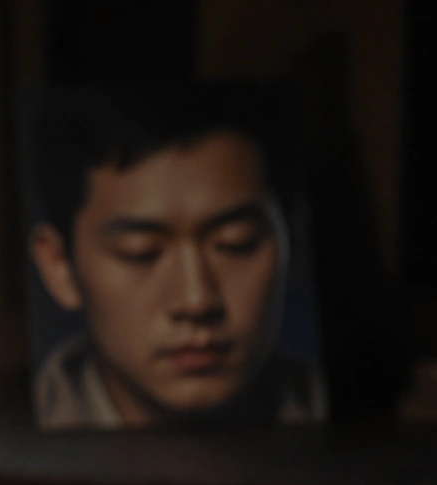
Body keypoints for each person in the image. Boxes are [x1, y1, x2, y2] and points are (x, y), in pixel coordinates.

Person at [26, 84, 326, 429]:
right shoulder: (5, 432)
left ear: (294, 245)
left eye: (235, 243)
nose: (196, 301)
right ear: (59, 265)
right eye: (140, 253)